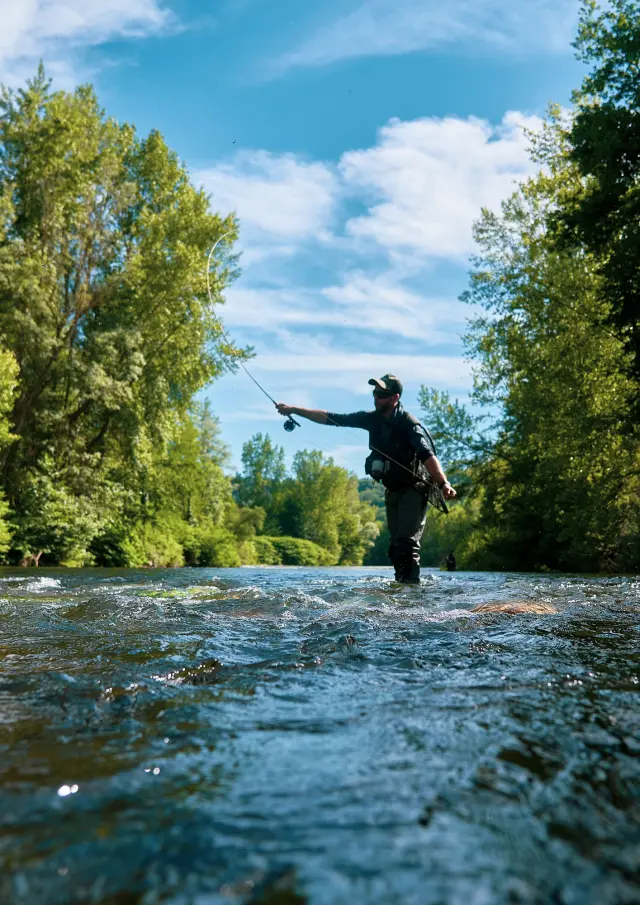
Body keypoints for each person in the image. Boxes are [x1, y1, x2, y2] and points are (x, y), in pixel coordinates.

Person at [276, 374, 456, 584]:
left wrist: (444, 483)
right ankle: (401, 590)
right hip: (392, 491)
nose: (376, 398)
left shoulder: (409, 424)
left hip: (413, 490)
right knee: (395, 548)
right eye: (375, 393)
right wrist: (293, 410)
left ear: (394, 398)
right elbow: (331, 418)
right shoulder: (371, 418)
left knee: (407, 546)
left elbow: (427, 456)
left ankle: (412, 597)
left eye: (381, 394)